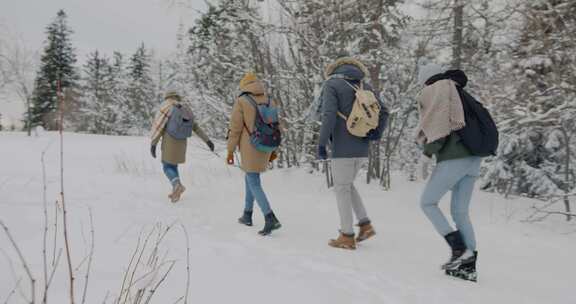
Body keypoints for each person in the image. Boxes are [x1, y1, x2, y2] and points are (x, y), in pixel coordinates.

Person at [416, 62, 481, 281]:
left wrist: (427, 154)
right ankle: (468, 266)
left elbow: (438, 125)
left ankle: (459, 250)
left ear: (426, 80)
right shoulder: (457, 91)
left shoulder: (436, 90)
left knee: (427, 202)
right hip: (474, 159)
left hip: (455, 158)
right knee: (460, 212)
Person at [317, 57, 389, 250]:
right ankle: (365, 225)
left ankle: (347, 236)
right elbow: (385, 111)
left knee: (341, 189)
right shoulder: (363, 85)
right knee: (347, 185)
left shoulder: (332, 84)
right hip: (362, 147)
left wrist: (322, 143)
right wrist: (376, 133)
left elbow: (329, 114)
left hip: (342, 147)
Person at [226, 72, 281, 236]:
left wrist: (230, 150)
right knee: (250, 177)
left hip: (250, 145)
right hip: (266, 144)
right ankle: (247, 214)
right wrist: (274, 150)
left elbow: (235, 129)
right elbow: (276, 126)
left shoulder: (241, 101)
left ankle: (270, 217)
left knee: (253, 180)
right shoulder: (270, 100)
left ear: (244, 86)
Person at [150, 90, 214, 203]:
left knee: (167, 166)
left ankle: (176, 185)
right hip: (182, 142)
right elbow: (195, 127)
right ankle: (176, 192)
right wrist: (207, 140)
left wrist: (153, 144)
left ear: (167, 97)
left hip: (170, 140)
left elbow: (160, 127)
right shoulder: (184, 109)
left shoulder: (167, 107)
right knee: (173, 166)